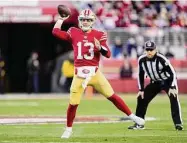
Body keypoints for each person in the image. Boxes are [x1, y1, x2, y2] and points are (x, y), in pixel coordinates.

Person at [52, 9, 145, 138]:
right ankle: (68, 129)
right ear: (79, 21)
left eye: (88, 20)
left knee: (112, 96)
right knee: (73, 104)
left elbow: (108, 54)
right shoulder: (73, 32)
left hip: (95, 74)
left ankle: (133, 117)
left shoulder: (99, 34)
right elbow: (55, 32)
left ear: (92, 21)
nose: (85, 22)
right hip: (79, 75)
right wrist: (61, 19)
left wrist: (100, 47)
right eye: (83, 20)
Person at [128, 40, 183, 130]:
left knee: (174, 97)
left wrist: (172, 86)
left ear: (155, 50)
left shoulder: (161, 59)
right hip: (155, 82)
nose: (149, 52)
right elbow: (140, 74)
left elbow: (172, 72)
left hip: (167, 81)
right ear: (145, 50)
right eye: (147, 50)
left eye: (151, 50)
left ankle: (178, 124)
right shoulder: (141, 60)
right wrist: (141, 90)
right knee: (141, 98)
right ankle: (139, 123)